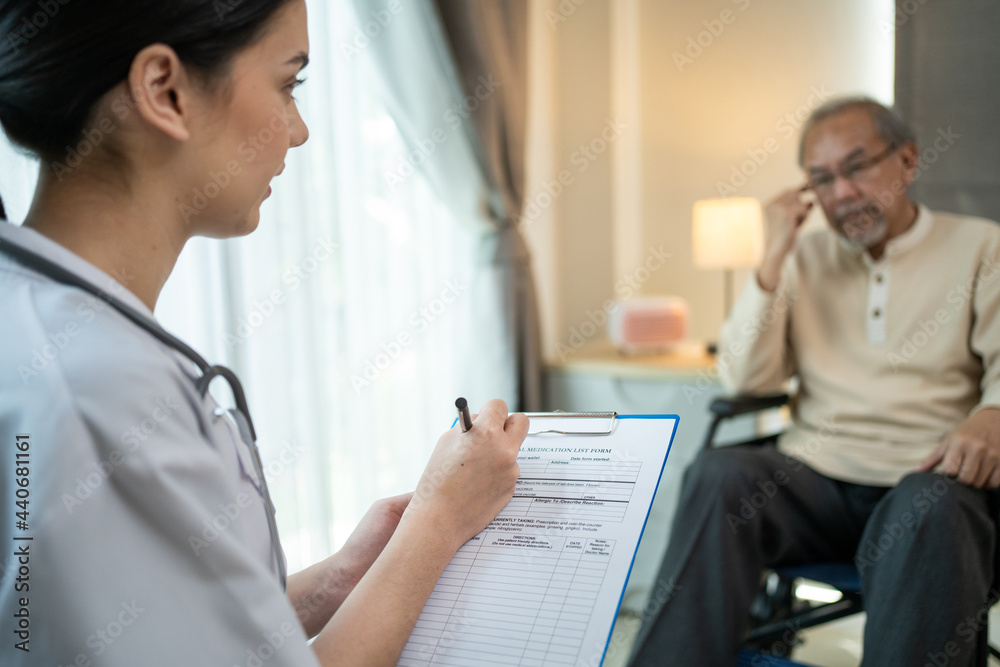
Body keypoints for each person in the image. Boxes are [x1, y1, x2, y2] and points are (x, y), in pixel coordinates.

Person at [0, 1, 528, 665]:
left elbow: (165, 625)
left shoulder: (41, 321)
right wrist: (438, 523)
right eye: (288, 83)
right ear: (165, 90)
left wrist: (339, 576)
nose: (300, 130)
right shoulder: (99, 389)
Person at [628, 96, 1000, 666]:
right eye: (821, 179)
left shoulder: (980, 246)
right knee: (720, 472)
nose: (842, 193)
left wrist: (991, 414)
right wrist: (773, 254)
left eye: (857, 168)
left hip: (927, 482)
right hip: (816, 483)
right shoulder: (802, 258)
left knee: (930, 507)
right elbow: (747, 378)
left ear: (907, 161)